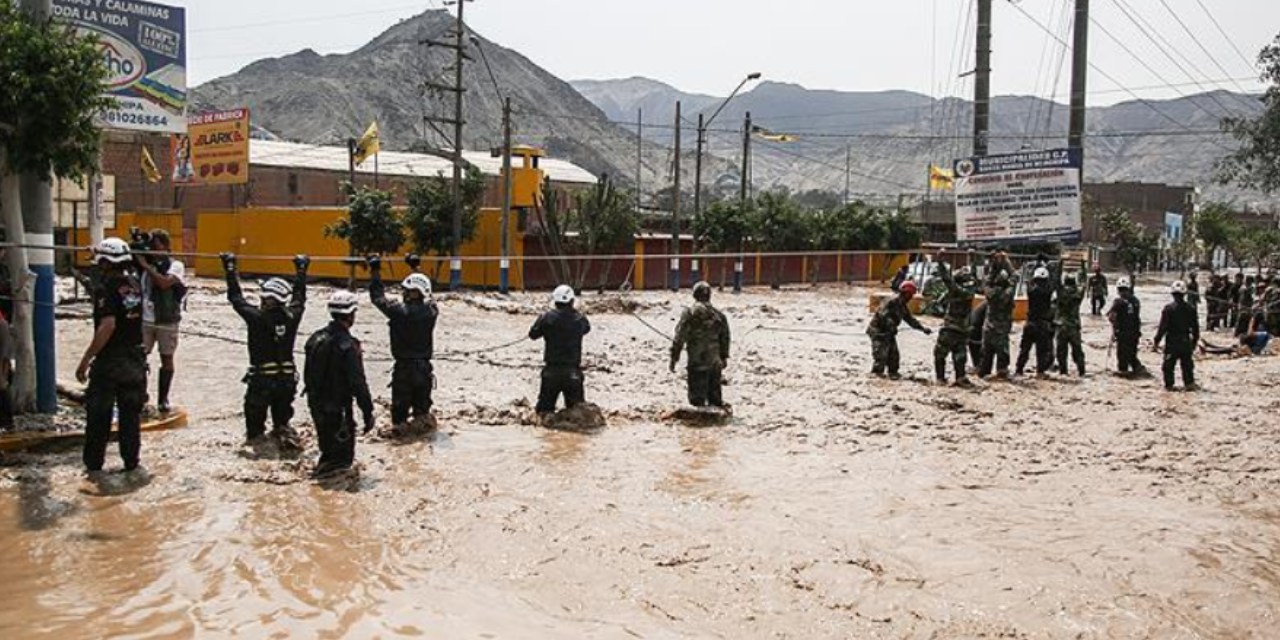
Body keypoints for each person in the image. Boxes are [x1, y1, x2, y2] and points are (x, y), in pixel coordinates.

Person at [222, 252, 310, 447]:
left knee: (255, 435)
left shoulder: (256, 317)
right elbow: (300, 297)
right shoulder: (292, 316)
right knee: (282, 426)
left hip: (262, 382)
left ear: (268, 298)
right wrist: (302, 270)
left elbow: (236, 298)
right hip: (286, 382)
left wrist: (229, 268)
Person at [75, 238, 147, 474]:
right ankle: (131, 463)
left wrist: (86, 359)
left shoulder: (106, 289)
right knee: (130, 418)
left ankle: (94, 468)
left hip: (110, 362)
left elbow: (108, 325)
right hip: (135, 360)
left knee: (98, 416)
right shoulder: (135, 284)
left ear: (105, 263)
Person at [303, 291, 374, 478]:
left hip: (316, 404)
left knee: (327, 451)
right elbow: (358, 382)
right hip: (339, 409)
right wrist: (368, 411)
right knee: (341, 463)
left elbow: (308, 375)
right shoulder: (349, 346)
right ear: (351, 315)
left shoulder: (314, 339)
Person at [368, 256, 438, 434]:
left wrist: (375, 270)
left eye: (406, 290)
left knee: (399, 422)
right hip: (424, 370)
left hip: (404, 370)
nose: (403, 293)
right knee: (423, 418)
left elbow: (377, 297)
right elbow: (427, 291)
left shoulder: (397, 312)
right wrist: (415, 267)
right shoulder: (431, 312)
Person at [137, 229, 186, 414]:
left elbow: (164, 283)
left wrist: (147, 266)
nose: (152, 250)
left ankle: (163, 399)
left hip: (167, 320)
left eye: (155, 246)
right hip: (145, 320)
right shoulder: (142, 265)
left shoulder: (176, 265)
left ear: (165, 246)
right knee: (139, 358)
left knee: (167, 358)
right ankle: (141, 397)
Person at [529, 285, 591, 415]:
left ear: (555, 301)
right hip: (573, 372)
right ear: (572, 301)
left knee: (543, 414)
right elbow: (587, 329)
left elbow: (533, 335)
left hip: (551, 372)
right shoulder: (580, 319)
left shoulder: (546, 318)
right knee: (578, 415)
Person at [671, 281, 732, 407]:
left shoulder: (689, 313)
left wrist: (674, 358)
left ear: (694, 295)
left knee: (697, 401)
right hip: (715, 364)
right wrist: (724, 358)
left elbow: (679, 337)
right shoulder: (719, 315)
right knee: (715, 401)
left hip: (697, 362)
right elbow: (725, 338)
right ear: (709, 296)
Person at [867, 280, 931, 379]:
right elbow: (882, 315)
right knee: (881, 355)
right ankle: (876, 375)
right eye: (910, 295)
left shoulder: (902, 306)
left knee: (894, 356)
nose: (911, 298)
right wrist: (891, 324)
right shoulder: (891, 301)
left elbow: (910, 320)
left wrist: (923, 329)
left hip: (889, 332)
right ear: (905, 293)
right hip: (878, 331)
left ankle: (893, 374)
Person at [932, 263, 976, 386]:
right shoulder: (967, 291)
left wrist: (940, 263)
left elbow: (947, 282)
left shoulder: (957, 291)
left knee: (940, 354)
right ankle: (960, 378)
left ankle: (940, 378)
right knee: (959, 355)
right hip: (961, 329)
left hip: (950, 328)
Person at [1154, 280, 1200, 391]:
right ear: (1184, 294)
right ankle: (1189, 385)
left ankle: (1169, 388)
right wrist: (1193, 343)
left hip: (1172, 341)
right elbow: (1196, 329)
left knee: (1168, 367)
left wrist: (1156, 341)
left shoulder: (1168, 309)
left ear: (1172, 294)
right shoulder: (1191, 309)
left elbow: (1162, 327)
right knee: (1187, 367)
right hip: (1185, 341)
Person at [1017, 265, 1057, 376]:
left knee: (1024, 349)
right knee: (1042, 351)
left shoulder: (1031, 290)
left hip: (1030, 323)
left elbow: (1028, 280)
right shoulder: (1048, 292)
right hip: (1042, 325)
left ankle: (1019, 370)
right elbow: (1054, 282)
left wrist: (1036, 264)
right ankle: (1040, 372)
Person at [1107, 277, 1147, 376]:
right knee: (1132, 353)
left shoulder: (1118, 302)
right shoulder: (1136, 301)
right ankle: (1138, 370)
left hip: (1123, 333)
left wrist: (1115, 327)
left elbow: (1111, 316)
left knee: (1122, 356)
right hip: (1135, 332)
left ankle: (1124, 372)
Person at [980, 268, 1015, 379]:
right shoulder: (1008, 293)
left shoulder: (990, 293)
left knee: (986, 351)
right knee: (1002, 351)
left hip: (989, 326)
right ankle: (1001, 371)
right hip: (1002, 327)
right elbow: (1015, 278)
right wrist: (1006, 263)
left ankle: (984, 371)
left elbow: (985, 282)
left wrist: (994, 267)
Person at [1054, 267, 1087, 376]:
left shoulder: (1060, 294)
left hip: (1061, 326)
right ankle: (1081, 371)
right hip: (1074, 326)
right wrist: (1083, 269)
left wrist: (1060, 265)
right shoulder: (1077, 295)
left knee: (1061, 351)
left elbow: (1056, 281)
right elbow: (1084, 284)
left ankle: (1063, 371)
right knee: (1077, 350)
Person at [967, 300, 987, 370]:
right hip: (975, 328)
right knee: (977, 347)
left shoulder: (985, 303)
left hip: (973, 326)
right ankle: (978, 366)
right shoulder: (989, 304)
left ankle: (978, 366)